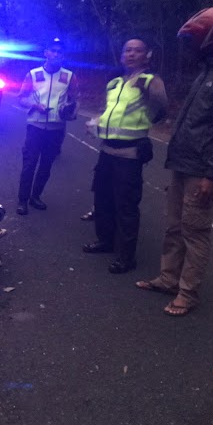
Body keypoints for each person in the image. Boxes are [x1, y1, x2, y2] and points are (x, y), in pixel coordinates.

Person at [135, 6, 213, 316]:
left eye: (195, 39)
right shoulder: (208, 71)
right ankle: (169, 278)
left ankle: (188, 292)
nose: (191, 46)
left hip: (201, 170)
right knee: (174, 226)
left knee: (194, 232)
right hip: (183, 163)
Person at [83, 38, 168, 274]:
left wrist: (146, 123)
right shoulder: (114, 83)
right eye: (127, 50)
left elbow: (161, 108)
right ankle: (105, 240)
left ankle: (127, 256)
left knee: (126, 205)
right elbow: (111, 112)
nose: (131, 54)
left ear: (146, 55)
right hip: (107, 151)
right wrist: (96, 123)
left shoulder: (150, 81)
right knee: (102, 198)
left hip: (129, 154)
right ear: (122, 55)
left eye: (137, 50)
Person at [16, 37, 79, 215]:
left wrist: (70, 112)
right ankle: (22, 200)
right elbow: (20, 98)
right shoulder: (33, 74)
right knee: (29, 164)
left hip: (56, 129)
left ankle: (36, 196)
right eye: (53, 50)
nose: (56, 54)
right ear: (46, 52)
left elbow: (75, 101)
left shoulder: (69, 77)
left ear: (63, 56)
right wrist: (35, 105)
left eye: (60, 52)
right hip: (35, 127)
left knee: (46, 165)